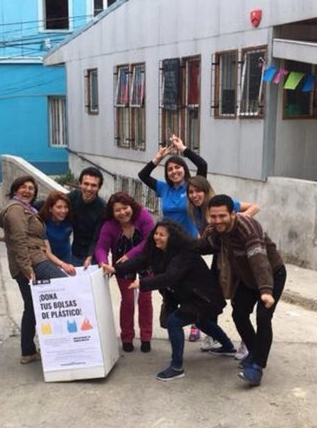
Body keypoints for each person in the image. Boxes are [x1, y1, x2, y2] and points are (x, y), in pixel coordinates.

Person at [101, 219, 236, 382]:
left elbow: (169, 277)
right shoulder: (156, 251)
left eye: (162, 235)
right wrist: (116, 269)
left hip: (205, 297)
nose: (157, 237)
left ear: (173, 238)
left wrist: (142, 283)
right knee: (201, 321)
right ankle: (228, 347)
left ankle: (176, 367)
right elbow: (140, 260)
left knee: (175, 321)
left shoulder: (183, 254)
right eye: (156, 233)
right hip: (191, 296)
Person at [197, 195, 286, 387]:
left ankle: (257, 367)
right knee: (239, 314)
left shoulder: (247, 228)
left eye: (222, 216)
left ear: (233, 214)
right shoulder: (217, 230)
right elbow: (205, 246)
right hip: (247, 278)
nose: (218, 220)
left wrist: (265, 290)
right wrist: (178, 244)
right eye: (214, 217)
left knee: (263, 318)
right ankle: (255, 352)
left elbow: (259, 260)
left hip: (271, 275)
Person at [138, 134, 207, 342]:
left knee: (193, 285)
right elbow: (143, 175)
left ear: (184, 170)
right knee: (168, 283)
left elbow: (202, 165)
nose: (174, 171)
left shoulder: (193, 187)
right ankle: (174, 315)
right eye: (170, 169)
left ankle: (196, 323)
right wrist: (157, 159)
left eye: (178, 167)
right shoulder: (163, 188)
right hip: (167, 246)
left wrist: (183, 149)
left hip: (189, 245)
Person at [186, 175, 259, 356]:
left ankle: (247, 342)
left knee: (239, 300)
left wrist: (236, 224)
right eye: (191, 192)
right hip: (219, 254)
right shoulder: (194, 210)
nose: (194, 195)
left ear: (206, 190)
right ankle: (213, 334)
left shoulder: (218, 204)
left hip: (237, 254)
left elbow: (254, 206)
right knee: (212, 293)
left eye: (198, 191)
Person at [0, 176, 67, 365]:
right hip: (32, 262)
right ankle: (64, 344)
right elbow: (19, 241)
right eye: (23, 187)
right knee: (66, 288)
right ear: (15, 189)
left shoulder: (26, 208)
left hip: (28, 262)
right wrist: (28, 270)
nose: (28, 191)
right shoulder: (15, 210)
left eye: (31, 188)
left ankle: (28, 351)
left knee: (31, 307)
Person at [93, 192, 155, 353]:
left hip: (145, 262)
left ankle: (146, 337)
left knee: (145, 299)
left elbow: (150, 241)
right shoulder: (109, 226)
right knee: (127, 300)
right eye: (117, 210)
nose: (122, 213)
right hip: (122, 267)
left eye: (125, 208)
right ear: (112, 213)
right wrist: (103, 262)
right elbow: (101, 247)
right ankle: (127, 337)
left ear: (131, 206)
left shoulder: (144, 216)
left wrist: (129, 255)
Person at [67, 167, 106, 268]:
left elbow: (97, 236)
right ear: (80, 184)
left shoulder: (102, 208)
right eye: (86, 184)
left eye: (93, 185)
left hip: (93, 254)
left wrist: (90, 255)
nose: (89, 188)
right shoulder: (73, 197)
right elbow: (52, 203)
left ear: (99, 188)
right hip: (75, 252)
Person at [38, 190, 76, 276]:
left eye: (66, 207)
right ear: (50, 208)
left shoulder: (69, 220)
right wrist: (62, 264)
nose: (63, 211)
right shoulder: (42, 224)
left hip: (67, 259)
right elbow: (47, 252)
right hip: (49, 262)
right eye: (59, 207)